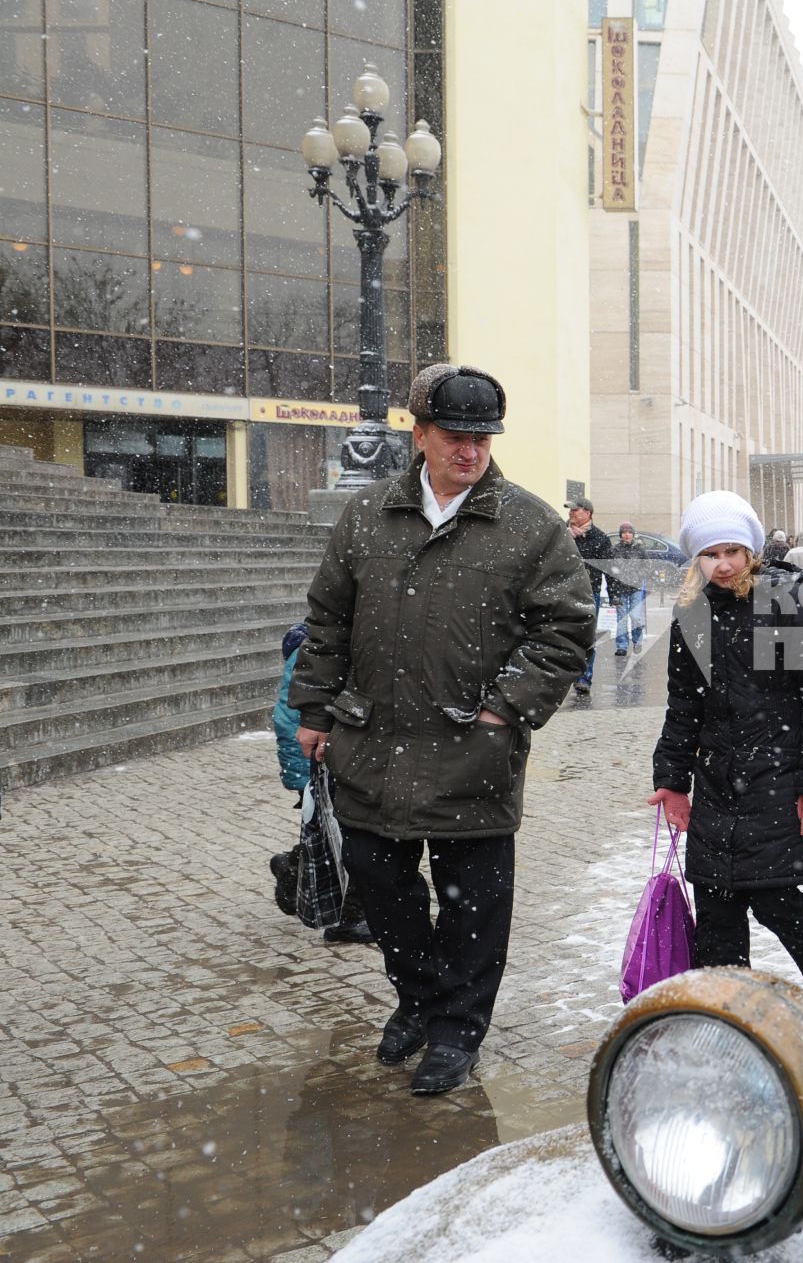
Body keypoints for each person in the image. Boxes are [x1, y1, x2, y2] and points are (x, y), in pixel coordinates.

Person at [292, 363, 594, 1096]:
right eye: (455, 436)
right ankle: (420, 998)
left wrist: (505, 707)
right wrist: (313, 708)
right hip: (373, 745)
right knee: (383, 889)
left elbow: (566, 627)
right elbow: (328, 617)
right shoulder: (367, 517)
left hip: (473, 751)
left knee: (474, 906)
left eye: (483, 438)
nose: (471, 451)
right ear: (420, 434)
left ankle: (458, 1027)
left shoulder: (528, 524)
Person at [648, 491, 803, 1035]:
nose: (722, 564)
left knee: (774, 900)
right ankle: (725, 1021)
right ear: (694, 559)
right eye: (709, 554)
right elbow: (684, 707)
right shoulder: (691, 616)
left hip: (778, 779)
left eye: (732, 551)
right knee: (717, 910)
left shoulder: (783, 602)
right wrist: (672, 781)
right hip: (717, 784)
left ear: (751, 550)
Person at [268, 623, 374, 944]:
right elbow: (289, 721)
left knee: (335, 837)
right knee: (344, 839)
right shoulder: (312, 652)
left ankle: (290, 868)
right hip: (318, 764)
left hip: (332, 762)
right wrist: (305, 779)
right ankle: (351, 917)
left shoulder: (324, 645)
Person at [567, 499, 614, 696]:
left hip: (589, 594)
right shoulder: (560, 533)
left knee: (586, 638)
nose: (571, 513)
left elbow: (610, 569)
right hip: (562, 593)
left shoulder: (600, 538)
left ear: (588, 513)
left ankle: (584, 679)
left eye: (575, 510)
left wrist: (614, 595)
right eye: (569, 510)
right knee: (561, 637)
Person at [607, 522, 650, 657]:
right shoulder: (614, 551)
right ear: (621, 535)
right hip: (619, 590)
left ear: (633, 534)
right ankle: (622, 646)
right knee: (622, 620)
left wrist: (637, 576)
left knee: (636, 617)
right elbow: (610, 573)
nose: (627, 535)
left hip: (635, 589)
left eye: (629, 532)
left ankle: (637, 642)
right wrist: (612, 594)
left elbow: (646, 567)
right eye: (624, 532)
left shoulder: (639, 550)